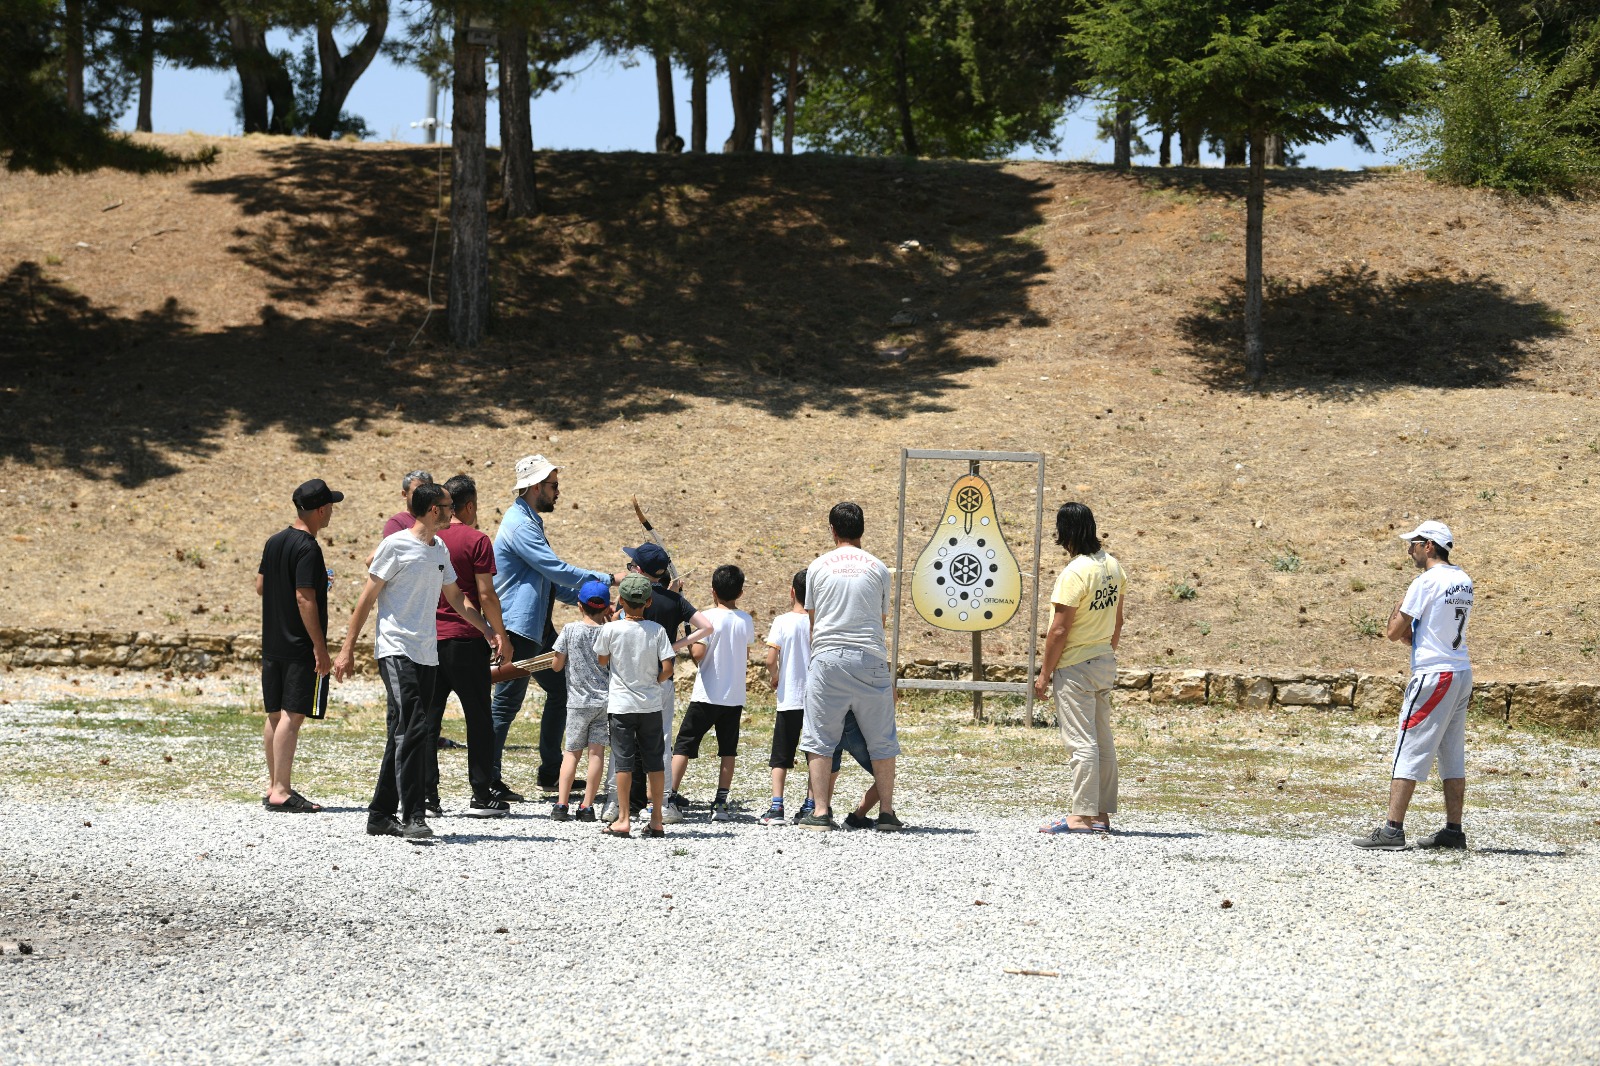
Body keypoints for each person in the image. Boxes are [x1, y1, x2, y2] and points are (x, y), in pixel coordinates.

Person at [335, 483, 496, 842]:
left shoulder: (438, 549)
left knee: (403, 730)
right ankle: (414, 816)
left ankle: (379, 815)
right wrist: (346, 649)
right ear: (433, 510)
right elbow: (365, 600)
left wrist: (486, 630)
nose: (454, 511)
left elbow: (456, 598)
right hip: (396, 650)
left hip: (428, 653)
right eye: (448, 505)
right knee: (416, 726)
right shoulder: (394, 546)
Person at [490, 454, 622, 799]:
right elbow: (556, 569)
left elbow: (552, 582)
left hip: (537, 627)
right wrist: (609, 579)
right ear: (536, 487)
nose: (558, 492)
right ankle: (486, 779)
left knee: (561, 689)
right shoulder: (520, 525)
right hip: (519, 629)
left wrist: (596, 601)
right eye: (553, 486)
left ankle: (550, 773)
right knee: (505, 704)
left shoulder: (530, 520)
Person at [1353, 521, 1475, 851]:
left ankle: (1393, 829)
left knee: (1409, 745)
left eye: (1415, 544)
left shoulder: (1425, 582)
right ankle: (1453, 830)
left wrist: (1399, 604)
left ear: (1430, 546)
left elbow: (1394, 631)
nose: (1410, 549)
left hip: (1433, 676)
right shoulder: (1463, 580)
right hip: (1461, 671)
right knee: (1451, 753)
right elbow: (1434, 628)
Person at [797, 502, 903, 832]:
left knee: (820, 738)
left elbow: (813, 620)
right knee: (882, 740)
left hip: (828, 657)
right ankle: (886, 812)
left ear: (832, 530)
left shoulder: (817, 567)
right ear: (862, 529)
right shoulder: (878, 567)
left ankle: (821, 812)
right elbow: (881, 619)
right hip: (870, 656)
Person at [1033, 502, 1126, 836]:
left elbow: (1059, 630)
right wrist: (1105, 652)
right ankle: (1100, 814)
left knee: (1081, 743)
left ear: (1065, 533)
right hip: (1103, 659)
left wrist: (1044, 673)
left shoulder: (1075, 573)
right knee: (1102, 739)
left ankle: (1080, 817)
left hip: (1075, 664)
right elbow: (1118, 619)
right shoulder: (1113, 566)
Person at [601, 541, 711, 824]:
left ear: (638, 570)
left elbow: (611, 631)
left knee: (621, 745)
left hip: (626, 682)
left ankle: (614, 802)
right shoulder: (673, 600)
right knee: (659, 742)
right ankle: (660, 805)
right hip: (661, 681)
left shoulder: (627, 598)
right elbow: (708, 627)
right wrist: (676, 645)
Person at [424, 474, 511, 818]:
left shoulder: (430, 538)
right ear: (470, 505)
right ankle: (480, 793)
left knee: (429, 721)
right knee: (478, 718)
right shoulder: (476, 539)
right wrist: (499, 633)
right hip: (466, 639)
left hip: (430, 639)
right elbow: (486, 594)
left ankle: (428, 796)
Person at [255, 478, 342, 814]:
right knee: (293, 715)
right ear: (320, 509)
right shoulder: (308, 548)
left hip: (272, 643)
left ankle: (273, 784)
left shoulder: (274, 541)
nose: (332, 510)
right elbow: (304, 598)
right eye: (330, 506)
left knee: (274, 715)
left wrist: (319, 581)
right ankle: (281, 790)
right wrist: (320, 648)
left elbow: (262, 586)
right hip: (297, 645)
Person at [671, 565, 755, 821]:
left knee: (684, 745)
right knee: (727, 750)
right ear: (740, 593)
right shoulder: (746, 620)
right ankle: (720, 803)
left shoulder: (706, 617)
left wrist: (689, 631)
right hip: (734, 696)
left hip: (707, 694)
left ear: (712, 591)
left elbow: (698, 655)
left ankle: (670, 796)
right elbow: (746, 654)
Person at [595, 575, 676, 837]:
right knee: (654, 761)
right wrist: (654, 681)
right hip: (650, 704)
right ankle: (656, 819)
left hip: (621, 705)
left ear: (620, 600)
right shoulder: (657, 631)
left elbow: (602, 660)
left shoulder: (610, 629)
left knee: (623, 761)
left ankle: (623, 817)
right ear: (649, 602)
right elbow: (667, 668)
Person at [550, 579, 614, 822]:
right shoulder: (610, 631)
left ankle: (561, 804)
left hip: (577, 703)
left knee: (571, 753)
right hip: (604, 701)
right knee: (596, 753)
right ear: (608, 608)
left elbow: (557, 666)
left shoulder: (569, 630)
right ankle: (587, 806)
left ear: (579, 606)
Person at [761, 570, 812, 825]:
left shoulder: (782, 621)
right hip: (815, 698)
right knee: (815, 753)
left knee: (781, 753)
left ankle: (777, 806)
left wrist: (775, 676)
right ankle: (812, 805)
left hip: (790, 695)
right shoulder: (820, 621)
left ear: (792, 592)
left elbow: (771, 659)